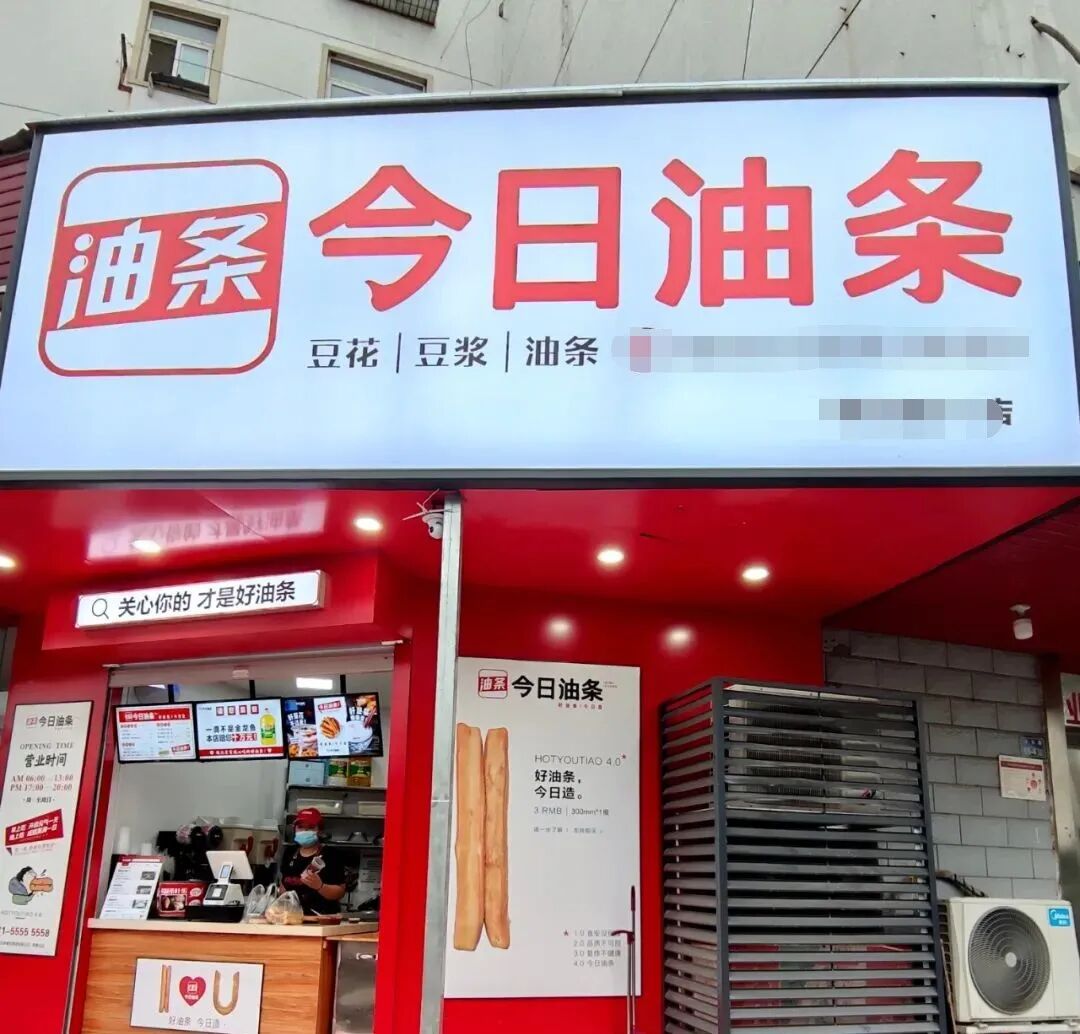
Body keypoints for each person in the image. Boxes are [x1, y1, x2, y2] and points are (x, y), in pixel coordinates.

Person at [279, 808, 347, 915]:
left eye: (310, 827)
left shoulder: (331, 854)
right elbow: (283, 884)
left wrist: (320, 886)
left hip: (322, 917)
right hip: (292, 915)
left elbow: (340, 892)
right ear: (295, 829)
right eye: (300, 827)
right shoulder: (289, 852)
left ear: (320, 831)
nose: (305, 831)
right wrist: (280, 904)